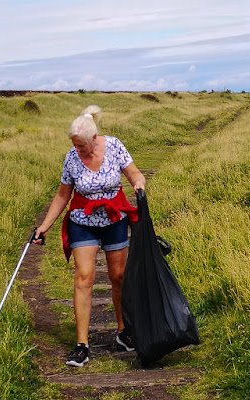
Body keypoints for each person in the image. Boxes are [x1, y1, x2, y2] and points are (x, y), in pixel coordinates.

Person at [34, 105, 146, 367]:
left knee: (118, 276)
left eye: (82, 147)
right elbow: (63, 195)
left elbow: (134, 173)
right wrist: (44, 226)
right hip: (82, 221)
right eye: (75, 146)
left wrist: (139, 184)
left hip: (114, 219)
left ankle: (122, 331)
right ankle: (82, 344)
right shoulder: (71, 158)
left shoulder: (116, 146)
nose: (79, 151)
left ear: (94, 138)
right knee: (84, 277)